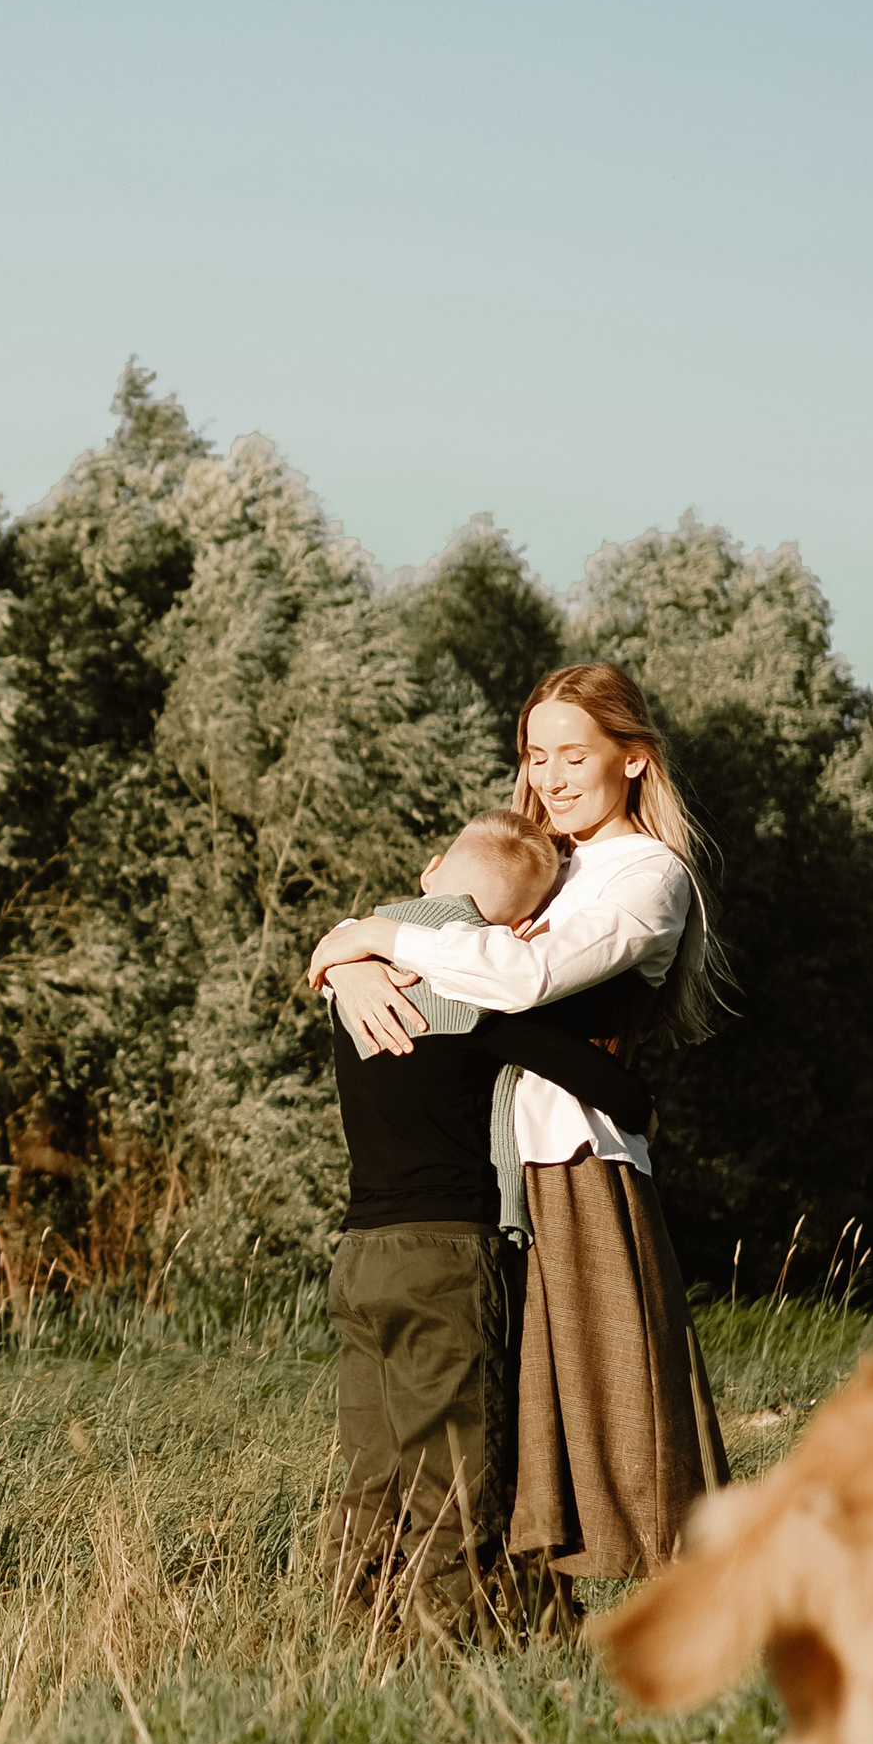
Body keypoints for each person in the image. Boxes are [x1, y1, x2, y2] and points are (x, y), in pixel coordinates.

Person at [309, 663, 730, 1586]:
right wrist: (350, 957)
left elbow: (520, 979)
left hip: (570, 1164)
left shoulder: (648, 876)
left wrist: (369, 940)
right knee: (490, 1414)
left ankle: (673, 1615)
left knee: (591, 1406)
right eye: (536, 756)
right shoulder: (545, 862)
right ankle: (512, 1618)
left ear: (633, 761)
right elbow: (443, 920)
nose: (551, 777)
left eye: (573, 755)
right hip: (493, 1171)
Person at [320, 807, 657, 1637]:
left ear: (433, 869)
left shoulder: (355, 974)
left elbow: (348, 952)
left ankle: (351, 1647)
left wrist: (345, 952)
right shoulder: (480, 994)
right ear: (519, 927)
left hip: (360, 1255)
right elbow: (626, 1099)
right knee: (454, 1477)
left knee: (370, 1472)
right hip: (448, 1255)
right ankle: (453, 1661)